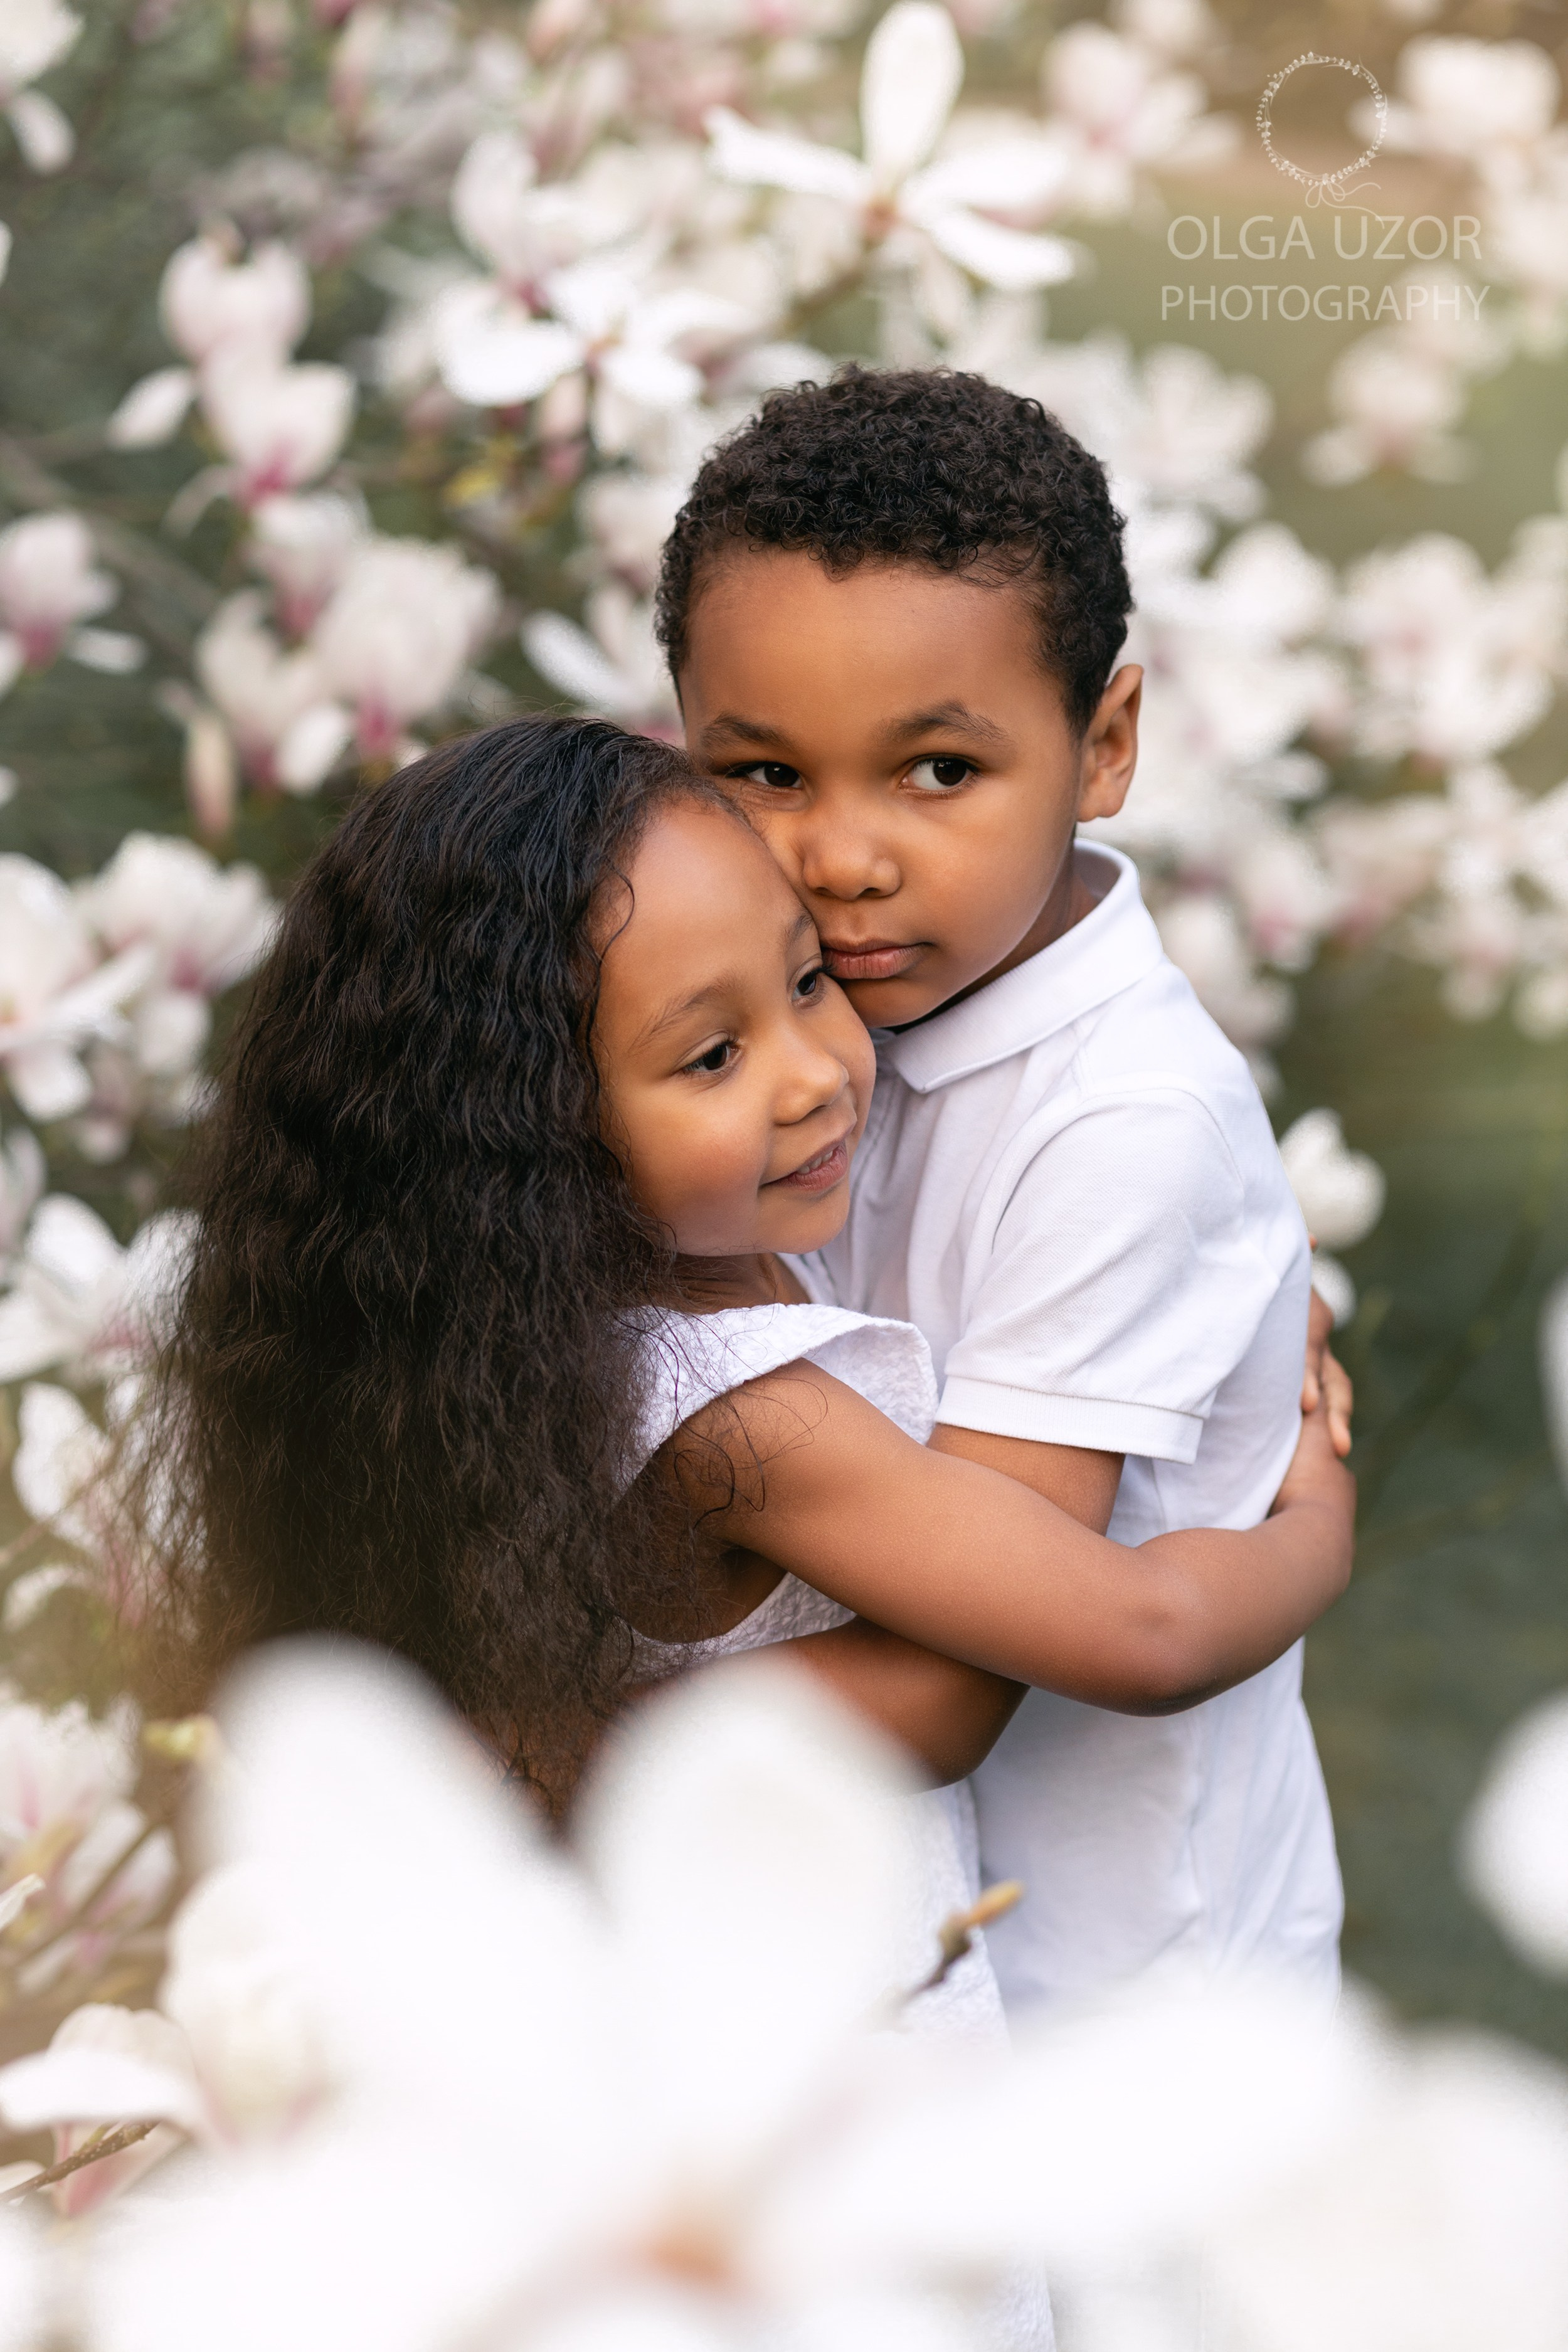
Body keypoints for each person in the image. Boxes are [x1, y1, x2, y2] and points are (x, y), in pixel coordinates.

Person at [133, 718, 1350, 2046]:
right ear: (538, 1147)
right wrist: (1311, 1517)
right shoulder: (743, 1412)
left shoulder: (526, 1350)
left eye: (808, 980)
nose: (814, 1075)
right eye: (711, 1056)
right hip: (831, 2036)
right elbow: (1140, 1634)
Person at [659, 364, 1349, 2013]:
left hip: (1110, 1992)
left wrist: (529, 1751)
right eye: (762, 773)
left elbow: (945, 1678)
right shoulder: (784, 1011)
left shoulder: (1118, 1119)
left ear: (1101, 743)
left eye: (937, 772)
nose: (841, 856)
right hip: (852, 1939)